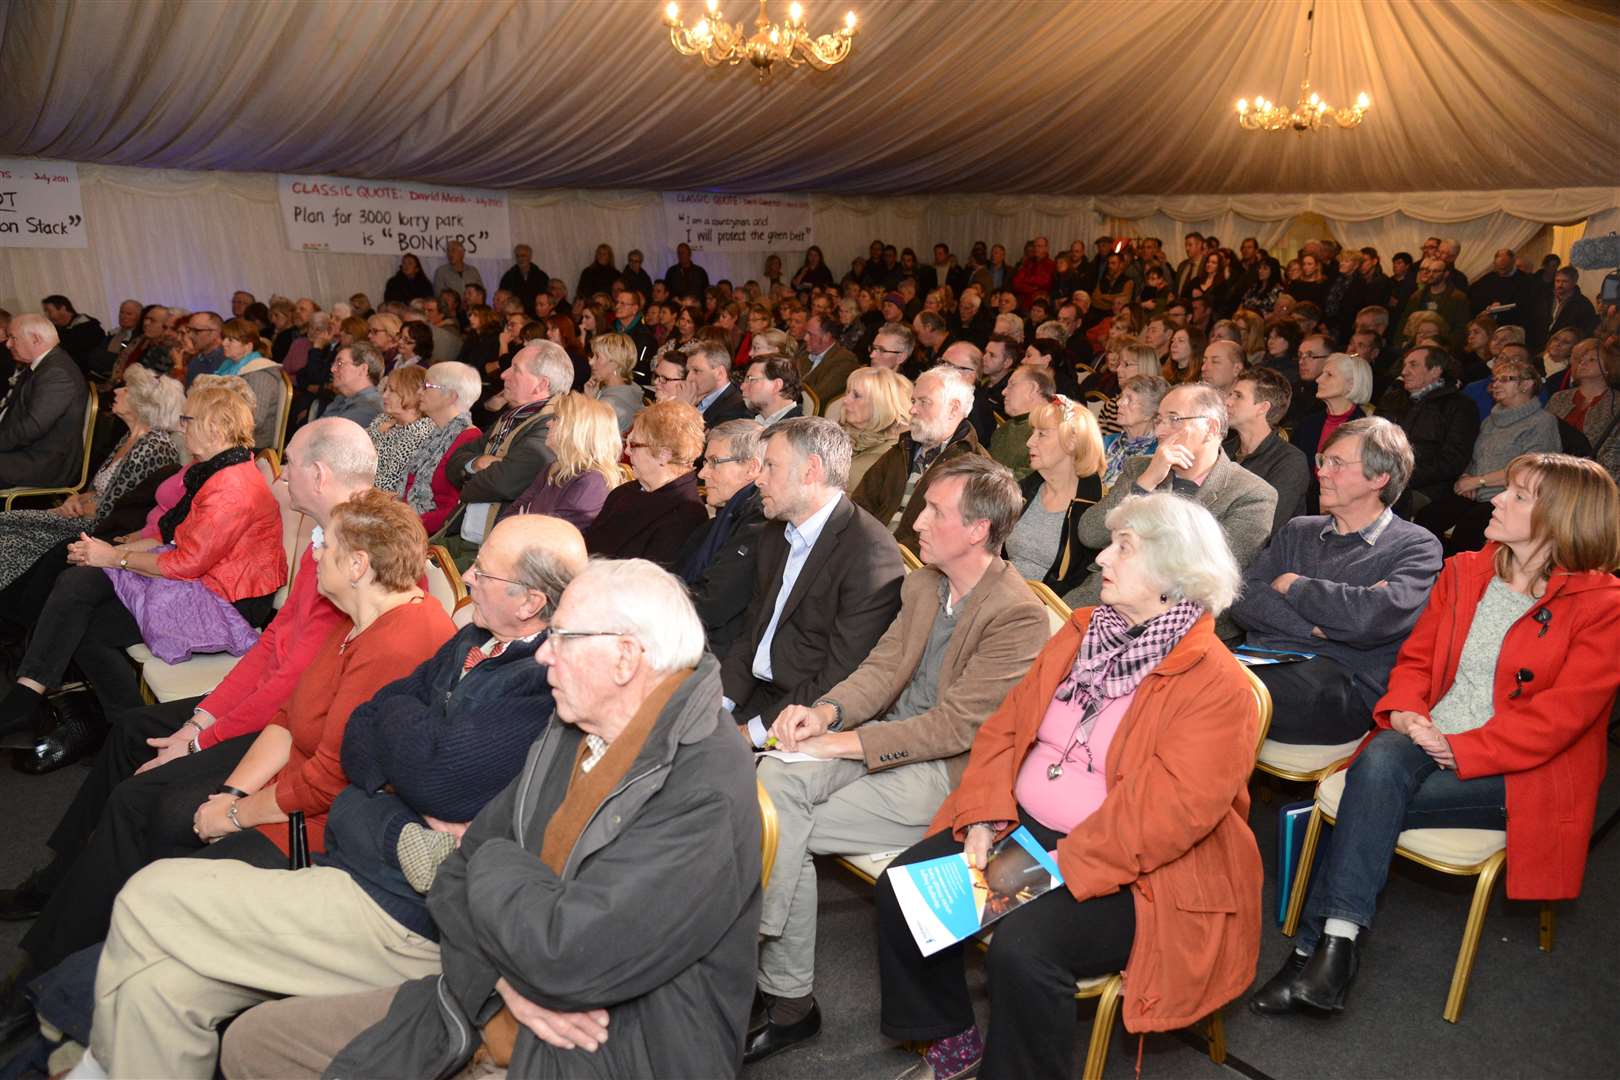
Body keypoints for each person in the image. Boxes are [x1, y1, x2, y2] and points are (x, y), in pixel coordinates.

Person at [71, 515, 580, 1079]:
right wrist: (389, 781)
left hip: (408, 913)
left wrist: (381, 781)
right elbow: (362, 744)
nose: (470, 578)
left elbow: (427, 776)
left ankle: (82, 1046)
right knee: (159, 988)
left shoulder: (538, 684)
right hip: (365, 869)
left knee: (148, 896)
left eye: (484, 572)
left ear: (531, 600)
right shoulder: (473, 638)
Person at [221, 558, 761, 1080]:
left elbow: (562, 953)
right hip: (489, 997)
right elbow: (453, 881)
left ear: (625, 657)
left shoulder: (704, 782)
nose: (545, 654)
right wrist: (505, 980)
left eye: (564, 638)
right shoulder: (572, 728)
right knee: (253, 1043)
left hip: (610, 1047)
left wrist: (491, 858)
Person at [48, 491, 453, 1077]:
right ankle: (87, 1015)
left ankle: (75, 1016)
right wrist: (231, 796)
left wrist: (234, 817)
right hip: (298, 801)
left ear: (359, 564)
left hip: (324, 832)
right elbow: (289, 719)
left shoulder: (400, 641)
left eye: (325, 546)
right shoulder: (360, 622)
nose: (314, 554)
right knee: (168, 823)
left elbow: (328, 781)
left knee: (169, 873)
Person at [875, 492, 1260, 1080]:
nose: (1101, 559)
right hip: (1024, 830)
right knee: (905, 890)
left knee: (1023, 951)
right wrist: (982, 814)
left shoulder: (1216, 685)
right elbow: (1007, 728)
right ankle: (954, 1047)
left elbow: (1164, 820)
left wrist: (1041, 869)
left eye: (1122, 549)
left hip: (1139, 871)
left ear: (1173, 572)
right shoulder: (1084, 632)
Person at [1251, 454, 1620, 1017]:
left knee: (1369, 789)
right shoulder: (1466, 571)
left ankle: (1314, 951)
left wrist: (1464, 747)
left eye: (1517, 495)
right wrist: (1403, 710)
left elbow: (1561, 719)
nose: (1495, 498)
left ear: (1561, 518)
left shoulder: (1603, 606)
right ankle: (1336, 948)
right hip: (1427, 737)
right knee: (1378, 771)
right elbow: (1416, 661)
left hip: (1520, 771)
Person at [0, 421, 373, 975]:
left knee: (142, 794)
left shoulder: (360, 545)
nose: (281, 472)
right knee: (132, 731)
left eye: (289, 463)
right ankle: (64, 879)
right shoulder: (331, 531)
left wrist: (201, 737)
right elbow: (276, 644)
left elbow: (294, 678)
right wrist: (203, 714)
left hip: (299, 725)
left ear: (318, 474)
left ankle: (58, 956)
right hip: (280, 703)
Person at [747, 457, 1050, 1062]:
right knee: (770, 774)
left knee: (777, 826)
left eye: (935, 511)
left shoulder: (1017, 614)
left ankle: (781, 995)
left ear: (978, 530)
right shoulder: (925, 584)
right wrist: (827, 713)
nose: (917, 523)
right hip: (882, 737)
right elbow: (883, 669)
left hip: (944, 774)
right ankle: (776, 989)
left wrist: (845, 742)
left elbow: (956, 727)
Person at [0, 385, 284, 747]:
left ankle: (128, 732)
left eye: (188, 419)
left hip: (226, 599)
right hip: (202, 579)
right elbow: (176, 537)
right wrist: (106, 552)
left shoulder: (231, 487)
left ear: (215, 426)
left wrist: (114, 556)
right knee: (80, 581)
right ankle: (33, 695)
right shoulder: (215, 469)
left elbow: (184, 563)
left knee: (87, 616)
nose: (181, 427)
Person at [1231, 418, 1442, 745]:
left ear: (1379, 478)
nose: (1322, 472)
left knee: (1211, 696)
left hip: (1340, 687)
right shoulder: (1299, 530)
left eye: (1337, 464)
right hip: (1261, 662)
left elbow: (1369, 617)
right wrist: (1318, 627)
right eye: (1323, 461)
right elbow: (1244, 597)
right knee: (1177, 671)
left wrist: (1293, 585)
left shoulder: (1416, 546)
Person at [724, 418, 905, 741]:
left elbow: (841, 674)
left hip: (804, 716)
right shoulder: (775, 531)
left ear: (810, 471)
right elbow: (750, 631)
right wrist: (722, 703)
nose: (758, 479)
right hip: (753, 695)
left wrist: (753, 732)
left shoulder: (869, 553)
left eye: (770, 466)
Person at [1063, 384, 1277, 640]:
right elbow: (1090, 533)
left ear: (1210, 428)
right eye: (1159, 420)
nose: (1160, 431)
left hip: (1177, 622)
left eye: (1174, 420)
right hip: (1099, 599)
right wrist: (1145, 484)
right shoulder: (1141, 469)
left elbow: (1208, 576)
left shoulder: (1251, 494)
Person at [0, 367, 181, 606]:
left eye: (125, 389)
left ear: (141, 401)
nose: (116, 390)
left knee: (10, 539)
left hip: (99, 530)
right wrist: (75, 499)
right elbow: (99, 491)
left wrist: (76, 508)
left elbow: (120, 509)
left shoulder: (154, 446)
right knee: (6, 523)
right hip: (83, 517)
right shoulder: (130, 437)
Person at [1417, 356, 1561, 553]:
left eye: (1505, 379)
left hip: (1509, 498)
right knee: (1427, 518)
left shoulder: (1542, 422)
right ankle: (1432, 577)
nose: (1495, 385)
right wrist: (1466, 476)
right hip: (1475, 493)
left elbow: (1531, 469)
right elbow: (1473, 455)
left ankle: (1460, 580)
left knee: (1469, 531)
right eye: (1495, 380)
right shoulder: (1490, 420)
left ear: (1526, 385)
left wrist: (1479, 481)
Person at [445, 341, 572, 547]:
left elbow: (503, 483)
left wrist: (467, 482)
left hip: (497, 547)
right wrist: (477, 464)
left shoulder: (552, 425)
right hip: (463, 533)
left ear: (541, 384)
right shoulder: (512, 417)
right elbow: (454, 462)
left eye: (516, 369)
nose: (503, 375)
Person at [851, 365, 987, 552]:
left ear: (953, 409)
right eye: (913, 401)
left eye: (924, 402)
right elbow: (860, 506)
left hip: (920, 567)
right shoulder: (901, 450)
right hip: (870, 552)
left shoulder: (974, 468)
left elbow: (961, 542)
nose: (913, 410)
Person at [677, 419, 769, 653]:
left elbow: (713, 604)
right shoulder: (722, 520)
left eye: (714, 462)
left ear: (751, 468)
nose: (703, 472)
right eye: (705, 462)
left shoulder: (760, 523)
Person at [583, 398, 707, 569]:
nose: (626, 452)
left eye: (633, 445)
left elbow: (649, 582)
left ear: (664, 454)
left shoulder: (686, 514)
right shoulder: (623, 492)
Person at [1005, 398, 1106, 593]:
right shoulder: (1024, 490)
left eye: (1041, 434)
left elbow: (1084, 588)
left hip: (1049, 611)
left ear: (1072, 442)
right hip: (1001, 594)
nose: (1029, 442)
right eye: (1032, 432)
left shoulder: (1095, 508)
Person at [502, 392, 621, 532]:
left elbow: (555, 536)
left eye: (556, 418)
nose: (548, 423)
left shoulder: (592, 482)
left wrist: (524, 521)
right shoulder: (553, 469)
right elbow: (509, 517)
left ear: (576, 429)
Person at [0, 314, 90, 489]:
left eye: (12, 337)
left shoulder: (56, 372)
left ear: (35, 339)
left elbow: (32, 427)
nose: (8, 344)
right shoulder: (44, 365)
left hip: (44, 462)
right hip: (30, 452)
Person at [1224, 366, 1311, 533]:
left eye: (1238, 396)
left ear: (1262, 408)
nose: (1228, 402)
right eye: (1230, 394)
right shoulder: (1222, 450)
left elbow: (1264, 526)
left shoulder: (1290, 461)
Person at [1395, 346, 1482, 511]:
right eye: (1404, 365)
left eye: (1413, 365)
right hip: (1387, 479)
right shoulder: (1395, 399)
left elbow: (1453, 461)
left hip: (1428, 489)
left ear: (1435, 371)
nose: (1404, 372)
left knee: (1377, 504)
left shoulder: (1460, 406)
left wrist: (1404, 477)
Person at [364, 365, 435, 493]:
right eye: (385, 389)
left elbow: (386, 485)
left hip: (377, 502)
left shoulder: (419, 434)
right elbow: (355, 447)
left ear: (412, 393)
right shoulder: (385, 418)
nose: (384, 395)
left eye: (391, 390)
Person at [1101, 373, 1166, 488]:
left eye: (1129, 399)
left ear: (1150, 413)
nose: (1119, 403)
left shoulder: (1157, 456)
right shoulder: (1105, 443)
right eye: (1121, 397)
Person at [989, 364, 1052, 481]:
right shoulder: (1008, 426)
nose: (1003, 392)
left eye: (1012, 385)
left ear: (1033, 389)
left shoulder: (1052, 433)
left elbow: (1030, 481)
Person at [1545, 338, 1614, 445]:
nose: (1582, 363)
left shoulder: (1616, 404)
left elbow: (1613, 448)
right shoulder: (1558, 397)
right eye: (1580, 359)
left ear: (1607, 367)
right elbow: (1543, 431)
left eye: (1592, 359)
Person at [582, 331, 646, 434]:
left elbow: (584, 436)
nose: (591, 362)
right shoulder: (631, 390)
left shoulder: (610, 405)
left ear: (615, 363)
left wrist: (588, 401)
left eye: (597, 357)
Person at [685, 338, 751, 427]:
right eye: (688, 372)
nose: (689, 378)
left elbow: (692, 440)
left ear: (720, 373)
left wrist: (685, 408)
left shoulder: (736, 409)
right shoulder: (698, 398)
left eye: (696, 371)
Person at [321, 341, 386, 428]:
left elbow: (329, 436)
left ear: (363, 369)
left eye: (340, 363)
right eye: (333, 364)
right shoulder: (342, 398)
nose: (333, 369)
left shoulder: (369, 406)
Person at [802, 312, 861, 406]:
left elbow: (818, 395)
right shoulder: (804, 353)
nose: (805, 338)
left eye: (810, 334)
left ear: (826, 337)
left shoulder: (844, 360)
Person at [743, 353, 805, 428]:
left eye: (751, 380)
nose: (742, 386)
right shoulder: (751, 420)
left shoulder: (797, 433)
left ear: (776, 386)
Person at [499, 244, 549, 312]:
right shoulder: (508, 277)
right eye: (517, 256)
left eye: (523, 256)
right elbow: (503, 296)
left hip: (537, 314)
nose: (520, 259)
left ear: (530, 257)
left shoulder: (541, 276)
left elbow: (546, 298)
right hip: (515, 313)